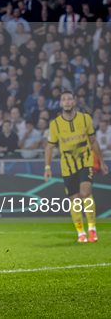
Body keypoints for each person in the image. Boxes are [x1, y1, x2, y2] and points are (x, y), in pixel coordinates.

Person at [44, 91, 108, 243]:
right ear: (60, 103)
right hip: (67, 165)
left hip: (86, 160)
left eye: (69, 99)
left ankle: (92, 229)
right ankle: (81, 233)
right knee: (75, 200)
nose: (67, 102)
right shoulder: (55, 124)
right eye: (64, 99)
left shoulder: (85, 119)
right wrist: (47, 167)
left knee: (85, 193)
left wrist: (102, 162)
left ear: (74, 102)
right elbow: (49, 147)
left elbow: (93, 141)